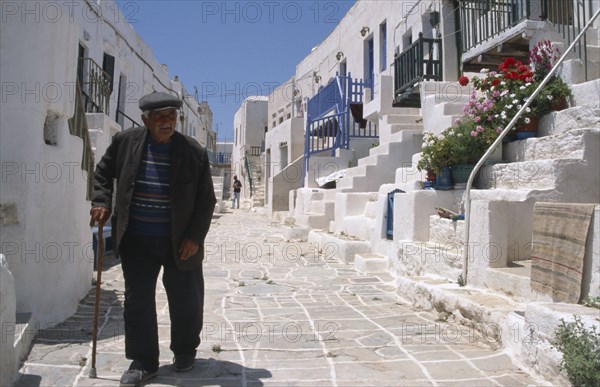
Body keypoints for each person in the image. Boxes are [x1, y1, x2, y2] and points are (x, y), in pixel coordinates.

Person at [90, 91, 216, 387]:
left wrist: (195, 238)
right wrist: (102, 200)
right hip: (136, 239)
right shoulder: (125, 142)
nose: (166, 122)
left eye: (171, 116)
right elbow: (103, 173)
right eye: (159, 117)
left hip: (179, 242)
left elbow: (205, 199)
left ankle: (185, 351)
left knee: (186, 298)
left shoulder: (193, 152)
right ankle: (143, 362)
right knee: (138, 301)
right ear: (145, 119)